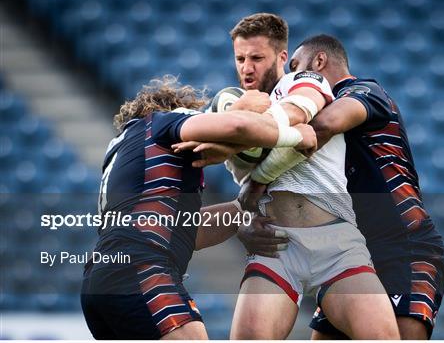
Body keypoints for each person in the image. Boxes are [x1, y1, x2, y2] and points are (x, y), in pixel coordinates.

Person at [177, 13, 399, 340]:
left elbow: (298, 114)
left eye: (256, 58)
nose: (246, 68)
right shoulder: (232, 109)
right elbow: (245, 190)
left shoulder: (304, 80)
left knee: (384, 338)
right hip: (276, 248)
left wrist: (242, 135)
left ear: (282, 57)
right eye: (240, 58)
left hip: (335, 241)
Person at [243, 34, 444, 339]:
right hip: (349, 254)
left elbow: (323, 126)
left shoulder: (364, 91)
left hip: (402, 247)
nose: (292, 77)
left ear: (320, 62)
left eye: (297, 67)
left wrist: (258, 166)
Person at [80, 75, 316, 340]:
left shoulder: (125, 154)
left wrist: (242, 209)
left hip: (99, 284)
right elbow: (236, 125)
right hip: (143, 272)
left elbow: (186, 231)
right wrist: (293, 135)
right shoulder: (162, 121)